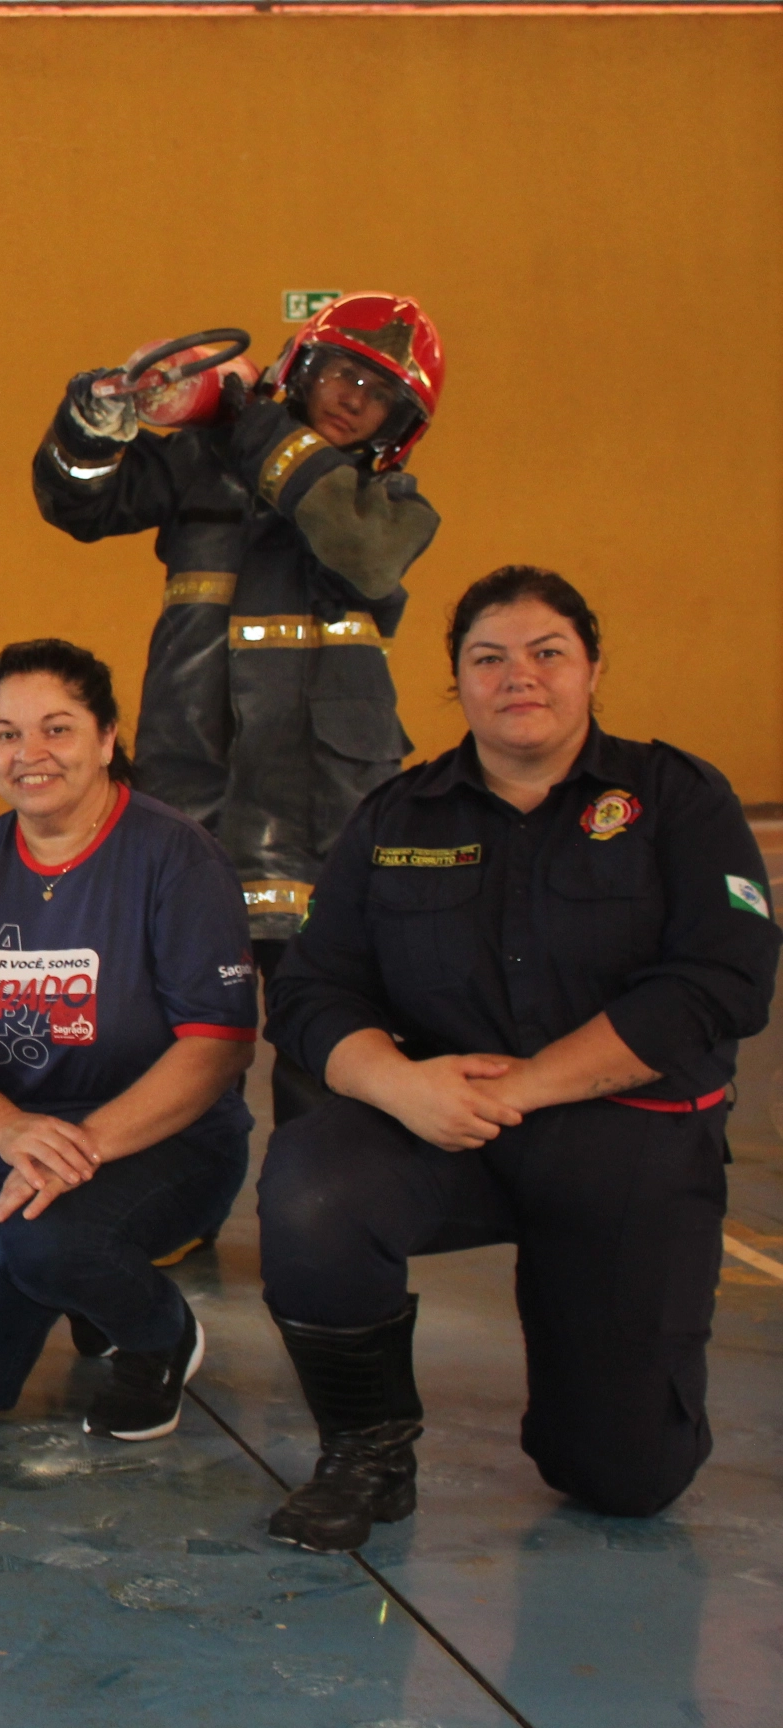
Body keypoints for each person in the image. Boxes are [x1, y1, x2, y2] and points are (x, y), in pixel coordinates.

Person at [259, 567, 778, 1550]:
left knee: (625, 1479)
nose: (519, 676)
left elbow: (723, 979)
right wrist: (400, 1085)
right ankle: (369, 1451)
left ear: (592, 669)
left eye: (548, 653)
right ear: (456, 682)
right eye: (487, 659)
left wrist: (534, 1085)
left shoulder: (677, 798)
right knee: (313, 1187)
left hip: (627, 1140)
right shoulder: (396, 817)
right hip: (444, 1126)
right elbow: (312, 992)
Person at [33, 293, 445, 1131]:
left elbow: (356, 552)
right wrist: (96, 414)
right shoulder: (198, 464)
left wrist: (250, 421)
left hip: (328, 811)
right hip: (198, 787)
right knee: (177, 1022)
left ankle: (318, 1206)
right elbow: (79, 503)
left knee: (326, 1018)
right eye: (341, 373)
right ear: (304, 368)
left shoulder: (389, 510)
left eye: (379, 395)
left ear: (398, 427)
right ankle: (172, 1188)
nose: (352, 399)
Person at [0, 641, 258, 1439]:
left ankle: (162, 1335)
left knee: (47, 1241)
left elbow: (219, 1043)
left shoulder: (176, 857)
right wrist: (6, 1129)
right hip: (11, 1142)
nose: (30, 755)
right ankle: (87, 1291)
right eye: (5, 734)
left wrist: (82, 1145)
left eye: (57, 729)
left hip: (155, 1141)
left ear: (105, 738)